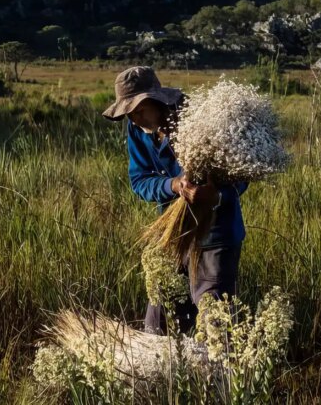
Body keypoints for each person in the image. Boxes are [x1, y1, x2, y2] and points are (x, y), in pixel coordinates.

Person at [102, 66, 248, 335]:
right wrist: (174, 185)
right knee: (161, 315)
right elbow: (140, 181)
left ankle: (218, 375)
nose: (134, 119)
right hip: (174, 234)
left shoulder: (200, 119)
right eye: (129, 114)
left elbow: (240, 175)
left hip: (217, 235)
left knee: (214, 319)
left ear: (156, 101)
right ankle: (167, 374)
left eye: (139, 110)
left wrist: (215, 196)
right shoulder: (138, 130)